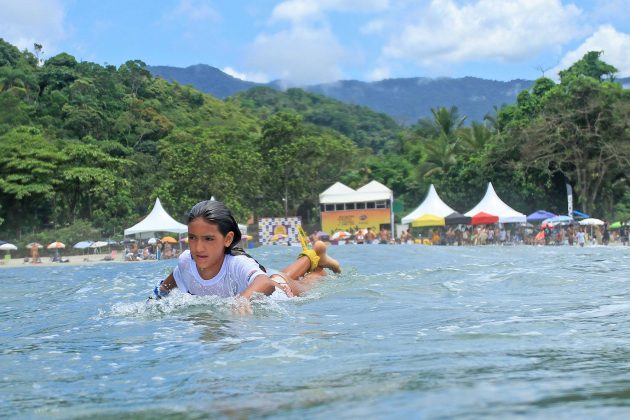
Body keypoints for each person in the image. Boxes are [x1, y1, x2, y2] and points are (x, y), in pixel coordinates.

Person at [150, 200, 341, 302]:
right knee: (280, 276)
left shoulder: (236, 263)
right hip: (270, 279)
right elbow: (170, 283)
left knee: (308, 283)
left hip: (281, 291)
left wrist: (243, 300)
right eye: (192, 238)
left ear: (228, 239)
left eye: (209, 239)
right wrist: (155, 298)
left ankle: (316, 262)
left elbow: (265, 283)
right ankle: (316, 256)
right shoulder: (186, 260)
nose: (198, 247)